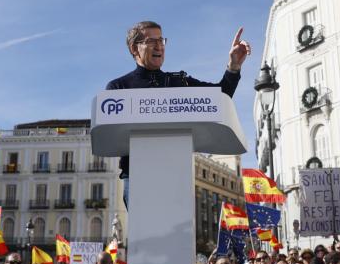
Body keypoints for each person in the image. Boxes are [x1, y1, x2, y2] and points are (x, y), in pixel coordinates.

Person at [105, 20, 250, 184]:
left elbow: (221, 97)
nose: (159, 46)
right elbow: (113, 135)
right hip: (135, 175)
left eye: (161, 40)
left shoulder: (180, 82)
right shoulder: (118, 88)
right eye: (151, 41)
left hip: (177, 176)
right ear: (134, 48)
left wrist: (234, 66)